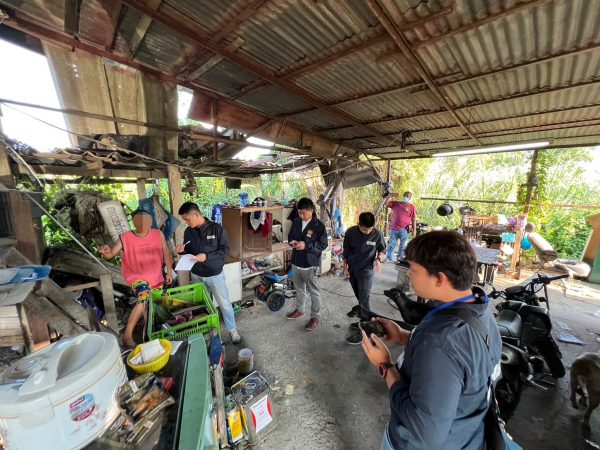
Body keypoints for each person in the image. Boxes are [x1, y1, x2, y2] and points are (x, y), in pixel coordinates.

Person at [361, 231, 502, 449]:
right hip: (467, 435)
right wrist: (404, 337)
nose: (409, 274)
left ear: (440, 278)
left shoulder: (441, 340)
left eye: (414, 269)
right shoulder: (477, 307)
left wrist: (385, 366)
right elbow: (460, 362)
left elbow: (425, 432)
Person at [99, 209, 172, 348]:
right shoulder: (125, 237)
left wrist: (169, 271)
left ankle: (150, 335)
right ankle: (127, 336)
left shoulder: (158, 234)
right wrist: (105, 252)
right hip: (136, 277)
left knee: (154, 305)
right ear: (134, 223)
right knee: (144, 297)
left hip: (156, 276)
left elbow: (166, 251)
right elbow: (111, 254)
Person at [176, 201, 241, 343]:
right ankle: (207, 330)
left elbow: (225, 250)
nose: (186, 222)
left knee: (224, 304)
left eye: (187, 219)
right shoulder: (188, 232)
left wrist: (207, 257)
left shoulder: (216, 229)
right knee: (201, 304)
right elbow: (189, 250)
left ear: (196, 214)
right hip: (197, 274)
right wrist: (182, 250)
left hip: (215, 275)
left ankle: (232, 330)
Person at [342, 212, 386, 345]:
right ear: (358, 224)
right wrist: (345, 268)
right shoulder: (350, 232)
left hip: (366, 271)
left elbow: (382, 250)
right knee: (359, 297)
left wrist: (378, 259)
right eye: (364, 229)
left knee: (364, 300)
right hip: (353, 269)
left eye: (370, 229)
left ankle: (366, 331)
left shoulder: (377, 234)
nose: (368, 232)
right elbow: (346, 252)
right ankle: (364, 321)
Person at [286, 197, 328, 331]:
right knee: (299, 289)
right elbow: (290, 235)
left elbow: (323, 244)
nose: (301, 216)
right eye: (299, 213)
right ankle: (300, 310)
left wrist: (307, 245)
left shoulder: (319, 226)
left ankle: (315, 317)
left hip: (310, 264)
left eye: (303, 213)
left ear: (311, 211)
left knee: (314, 292)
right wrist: (292, 242)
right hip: (296, 261)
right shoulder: (297, 221)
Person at [385, 191, 416, 263]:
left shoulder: (412, 207)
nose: (406, 197)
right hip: (394, 228)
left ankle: (399, 258)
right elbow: (386, 203)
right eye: (405, 196)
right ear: (403, 195)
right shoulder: (396, 203)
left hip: (404, 229)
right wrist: (389, 196)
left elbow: (413, 218)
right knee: (391, 244)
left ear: (410, 198)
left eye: (408, 196)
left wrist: (414, 230)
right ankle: (389, 258)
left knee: (403, 245)